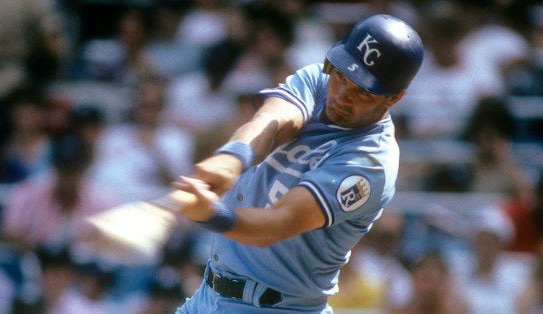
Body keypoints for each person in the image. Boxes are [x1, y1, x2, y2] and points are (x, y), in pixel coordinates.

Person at [169, 14, 424, 313]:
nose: (342, 95)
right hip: (208, 296)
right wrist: (232, 158)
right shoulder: (320, 78)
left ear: (394, 98)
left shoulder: (370, 161)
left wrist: (212, 214)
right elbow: (273, 122)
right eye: (341, 76)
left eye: (362, 91)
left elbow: (277, 225)